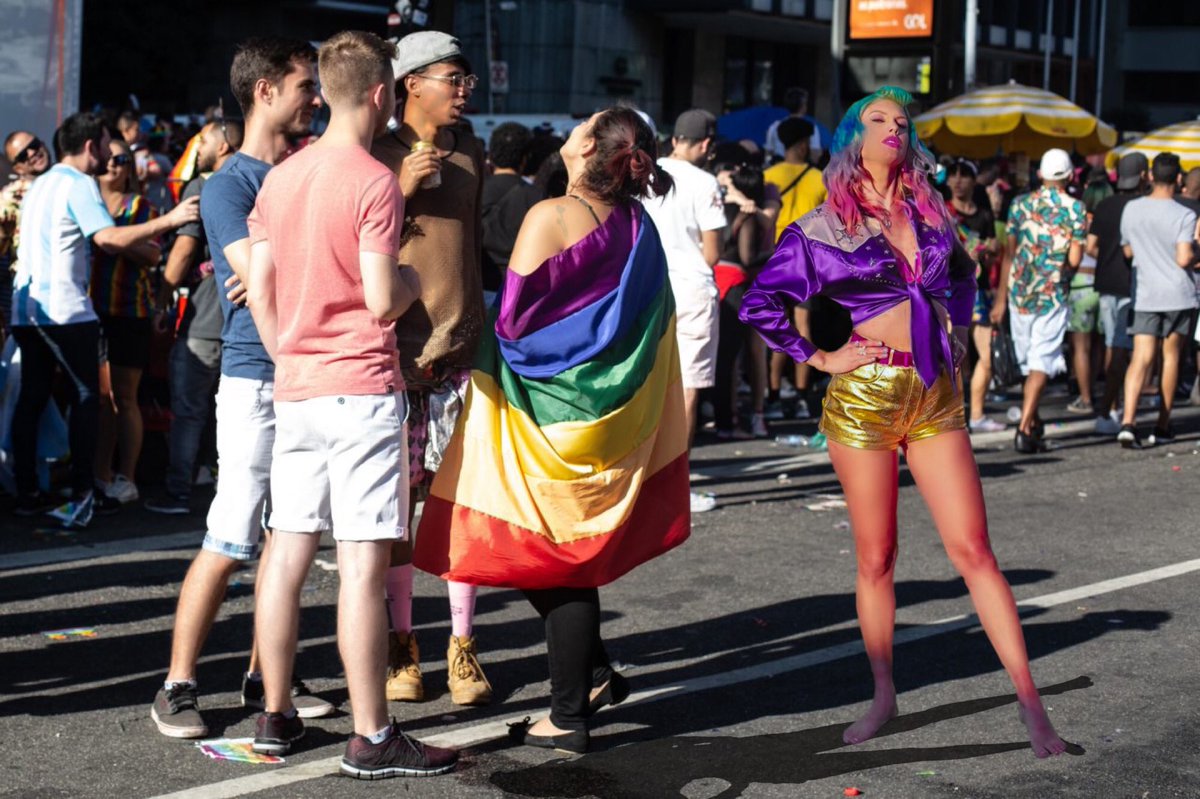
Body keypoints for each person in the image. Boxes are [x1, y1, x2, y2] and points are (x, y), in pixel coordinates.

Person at [740, 86, 1068, 759]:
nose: (893, 126)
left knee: (974, 550)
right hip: (863, 395)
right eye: (877, 118)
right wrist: (819, 354)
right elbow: (761, 299)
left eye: (901, 120)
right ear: (852, 137)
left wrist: (956, 321)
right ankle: (884, 692)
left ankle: (1032, 706)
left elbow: (967, 278)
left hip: (935, 392)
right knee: (878, 557)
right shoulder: (824, 224)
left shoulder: (931, 210)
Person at [413, 106, 690, 754]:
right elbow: (650, 323)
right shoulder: (637, 224)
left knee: (554, 559)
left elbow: (515, 327)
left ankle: (569, 715)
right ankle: (590, 674)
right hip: (611, 421)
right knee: (557, 553)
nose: (566, 135)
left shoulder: (550, 218)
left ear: (588, 146)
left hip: (542, 417)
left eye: (579, 127)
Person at [244, 30, 457, 777]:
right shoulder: (372, 180)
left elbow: (261, 289)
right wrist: (412, 283)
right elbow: (379, 296)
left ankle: (274, 711)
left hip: (297, 383)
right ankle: (372, 732)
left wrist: (285, 352)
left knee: (288, 549)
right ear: (379, 94)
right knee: (362, 566)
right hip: (361, 387)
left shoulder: (280, 178)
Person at [149, 37, 332, 740]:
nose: (314, 99)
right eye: (304, 87)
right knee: (231, 533)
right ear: (264, 92)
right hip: (257, 375)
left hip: (307, 372)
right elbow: (254, 284)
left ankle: (268, 675)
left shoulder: (307, 170)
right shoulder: (231, 183)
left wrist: (274, 268)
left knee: (291, 538)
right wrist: (271, 270)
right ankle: (177, 684)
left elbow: (297, 269)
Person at [371, 30, 493, 707]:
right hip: (393, 358)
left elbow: (474, 245)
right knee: (395, 515)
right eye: (453, 76)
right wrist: (397, 187)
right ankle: (402, 646)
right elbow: (348, 241)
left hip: (459, 356)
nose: (464, 88)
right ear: (411, 82)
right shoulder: (373, 152)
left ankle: (463, 646)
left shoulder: (471, 147)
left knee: (458, 508)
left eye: (467, 77)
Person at [10, 113, 199, 528]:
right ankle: (82, 494)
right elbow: (107, 238)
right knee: (85, 398)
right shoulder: (78, 184)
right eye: (105, 145)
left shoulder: (41, 183)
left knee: (34, 398)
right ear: (92, 145)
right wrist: (170, 219)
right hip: (65, 310)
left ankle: (27, 493)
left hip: (28, 312)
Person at [145, 117, 243, 514]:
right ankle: (229, 491)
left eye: (202, 140)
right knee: (235, 415)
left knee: (189, 409)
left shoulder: (204, 186)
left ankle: (178, 492)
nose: (196, 147)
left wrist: (162, 298)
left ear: (222, 146)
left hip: (203, 322)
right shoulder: (260, 181)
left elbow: (185, 250)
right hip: (245, 324)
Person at [643, 108, 725, 513]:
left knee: (648, 382)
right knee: (688, 389)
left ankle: (640, 477)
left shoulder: (646, 172)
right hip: (691, 289)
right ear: (707, 144)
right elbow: (713, 252)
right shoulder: (706, 182)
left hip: (648, 286)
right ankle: (675, 485)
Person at [991, 149, 1086, 454]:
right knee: (1041, 361)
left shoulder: (1019, 205)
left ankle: (1032, 421)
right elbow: (1074, 259)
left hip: (1020, 293)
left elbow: (1010, 254)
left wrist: (1001, 299)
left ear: (1041, 174)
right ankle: (1024, 429)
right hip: (1051, 294)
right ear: (1069, 176)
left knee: (1029, 363)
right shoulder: (1076, 210)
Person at [88, 138, 161, 505]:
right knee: (101, 399)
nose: (115, 165)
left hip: (130, 312)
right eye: (110, 158)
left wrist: (113, 241)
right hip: (90, 312)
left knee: (124, 398)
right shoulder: (89, 203)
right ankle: (99, 474)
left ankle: (126, 477)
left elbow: (152, 255)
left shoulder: (141, 206)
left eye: (122, 159)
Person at [1116, 152, 1198, 448]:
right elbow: (1183, 257)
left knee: (1140, 358)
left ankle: (1128, 421)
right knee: (1171, 357)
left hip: (1146, 293)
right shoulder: (1185, 215)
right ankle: (1163, 423)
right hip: (1178, 294)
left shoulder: (1132, 209)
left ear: (1150, 176)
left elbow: (1127, 252)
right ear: (1178, 179)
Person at [763, 117, 827, 420]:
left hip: (772, 258)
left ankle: (773, 396)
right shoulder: (819, 178)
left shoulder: (769, 176)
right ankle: (802, 397)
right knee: (804, 328)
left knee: (778, 328)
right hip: (805, 260)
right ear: (803, 144)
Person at [711, 145, 771, 439]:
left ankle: (716, 416)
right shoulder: (747, 216)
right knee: (731, 356)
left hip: (715, 278)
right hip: (736, 282)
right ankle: (727, 422)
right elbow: (747, 258)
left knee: (719, 353)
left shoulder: (721, 207)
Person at [1087, 153, 1148, 435]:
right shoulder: (1140, 207)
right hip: (1130, 284)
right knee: (1120, 350)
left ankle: (1114, 408)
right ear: (1143, 176)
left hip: (1105, 283)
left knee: (1115, 346)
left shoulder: (1105, 205)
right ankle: (1108, 410)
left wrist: (1106, 258)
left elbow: (1090, 247)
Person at [944, 158, 1004, 433]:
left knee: (987, 357)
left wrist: (988, 253)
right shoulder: (941, 212)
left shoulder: (984, 215)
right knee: (954, 357)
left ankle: (977, 415)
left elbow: (991, 261)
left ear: (973, 181)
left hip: (977, 293)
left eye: (964, 176)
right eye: (953, 175)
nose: (957, 180)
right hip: (947, 292)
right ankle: (954, 416)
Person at [1063, 171, 1113, 416]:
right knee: (1098, 346)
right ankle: (1098, 390)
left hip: (1080, 285)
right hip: (1103, 286)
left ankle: (1085, 397)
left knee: (1080, 347)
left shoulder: (1080, 219)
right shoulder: (1111, 219)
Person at [1, 132, 53, 332]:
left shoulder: (68, 181)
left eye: (34, 145)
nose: (33, 153)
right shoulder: (9, 199)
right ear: (17, 167)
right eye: (23, 155)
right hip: (32, 296)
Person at [481, 121, 532, 290]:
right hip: (517, 288)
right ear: (525, 158)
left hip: (477, 285)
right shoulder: (536, 197)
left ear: (492, 155)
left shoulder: (472, 190)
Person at [765, 87, 824, 164]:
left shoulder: (774, 127)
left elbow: (768, 154)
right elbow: (815, 155)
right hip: (803, 170)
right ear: (803, 106)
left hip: (778, 170)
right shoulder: (811, 128)